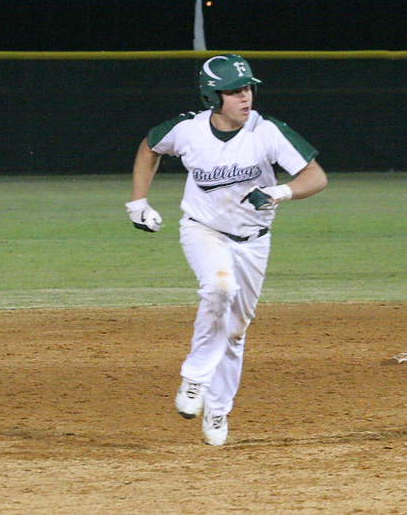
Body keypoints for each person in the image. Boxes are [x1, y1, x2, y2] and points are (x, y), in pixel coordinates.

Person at [126, 54, 327, 446]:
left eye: (248, 88)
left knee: (234, 332)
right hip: (204, 230)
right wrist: (138, 203)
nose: (245, 97)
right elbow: (150, 146)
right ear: (211, 97)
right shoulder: (188, 130)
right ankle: (194, 378)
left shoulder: (266, 132)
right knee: (219, 288)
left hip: (253, 242)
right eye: (234, 91)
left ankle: (218, 411)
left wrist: (280, 191)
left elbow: (315, 176)